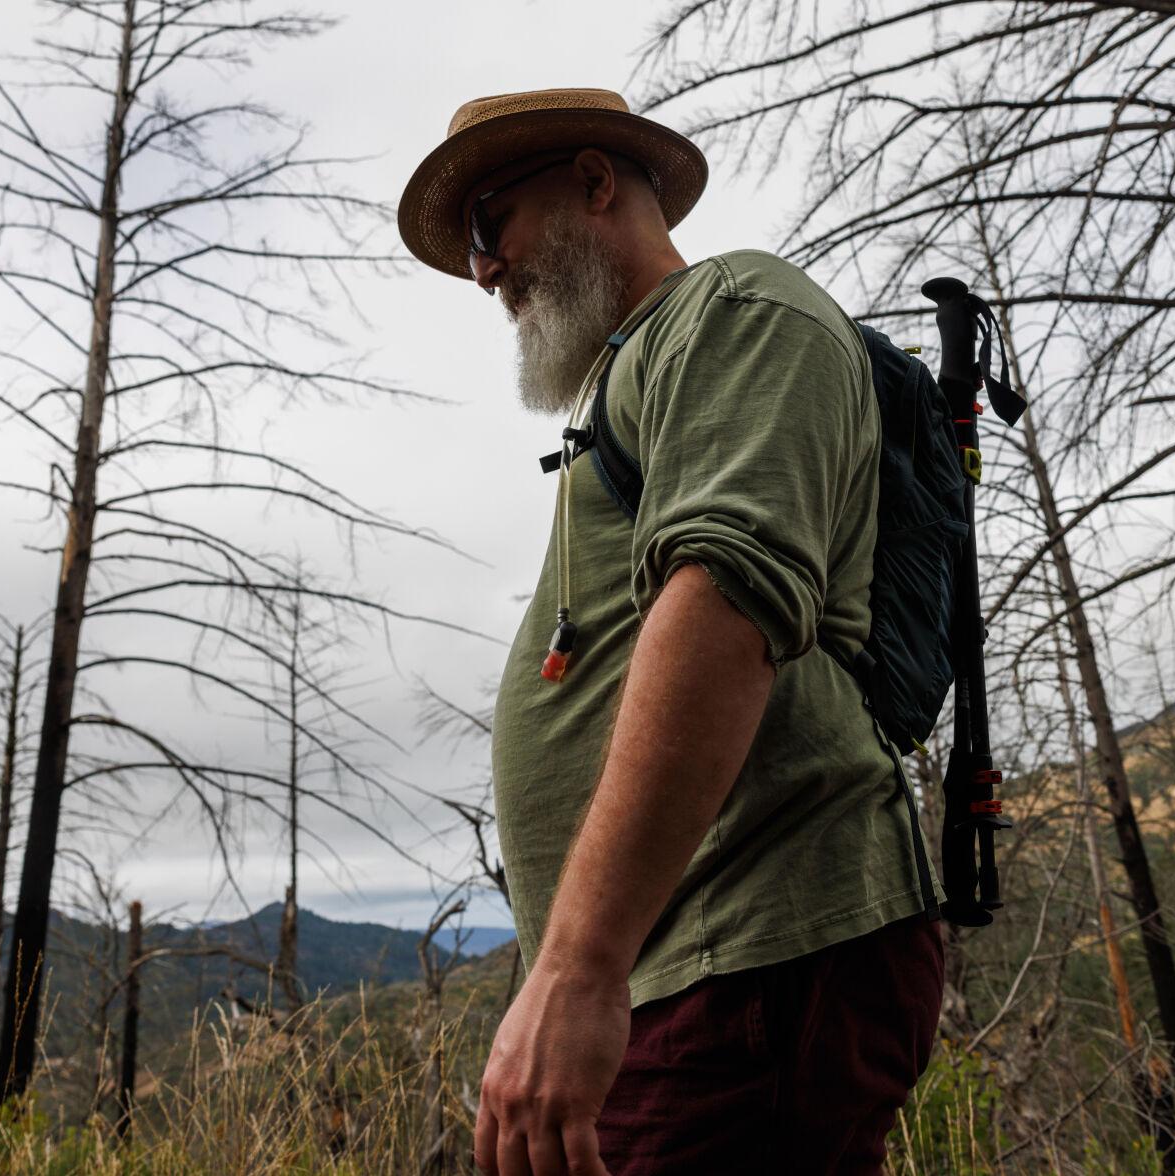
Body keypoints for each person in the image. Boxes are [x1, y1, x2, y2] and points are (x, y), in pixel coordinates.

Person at [398, 88, 944, 1176]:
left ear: (595, 183)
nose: (481, 271)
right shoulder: (636, 372)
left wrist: (578, 972)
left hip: (748, 953)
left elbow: (724, 607)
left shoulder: (737, 311)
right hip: (691, 968)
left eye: (487, 224)